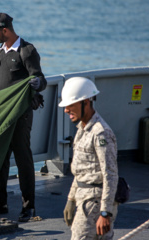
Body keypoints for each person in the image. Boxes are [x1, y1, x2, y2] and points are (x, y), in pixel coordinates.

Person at [0, 13, 47, 222]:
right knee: (0, 159)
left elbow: (40, 78)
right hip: (2, 114)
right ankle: (0, 204)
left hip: (20, 115)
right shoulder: (3, 51)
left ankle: (28, 207)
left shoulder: (27, 51)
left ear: (5, 30)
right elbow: (1, 78)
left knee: (23, 160)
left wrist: (37, 85)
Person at [59, 77, 119, 239]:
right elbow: (80, 171)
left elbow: (111, 174)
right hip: (84, 198)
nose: (66, 110)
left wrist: (105, 212)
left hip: (95, 203)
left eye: (70, 105)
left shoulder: (100, 133)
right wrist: (71, 199)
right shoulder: (82, 129)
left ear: (85, 102)